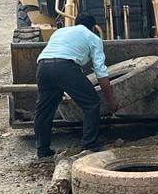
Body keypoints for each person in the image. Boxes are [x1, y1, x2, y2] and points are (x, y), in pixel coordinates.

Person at [34, 13, 120, 158]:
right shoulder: (93, 38)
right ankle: (90, 144)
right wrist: (110, 101)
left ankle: (43, 150)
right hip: (65, 67)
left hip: (43, 66)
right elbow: (101, 73)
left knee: (45, 110)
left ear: (76, 23)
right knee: (91, 103)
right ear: (93, 27)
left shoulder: (60, 32)